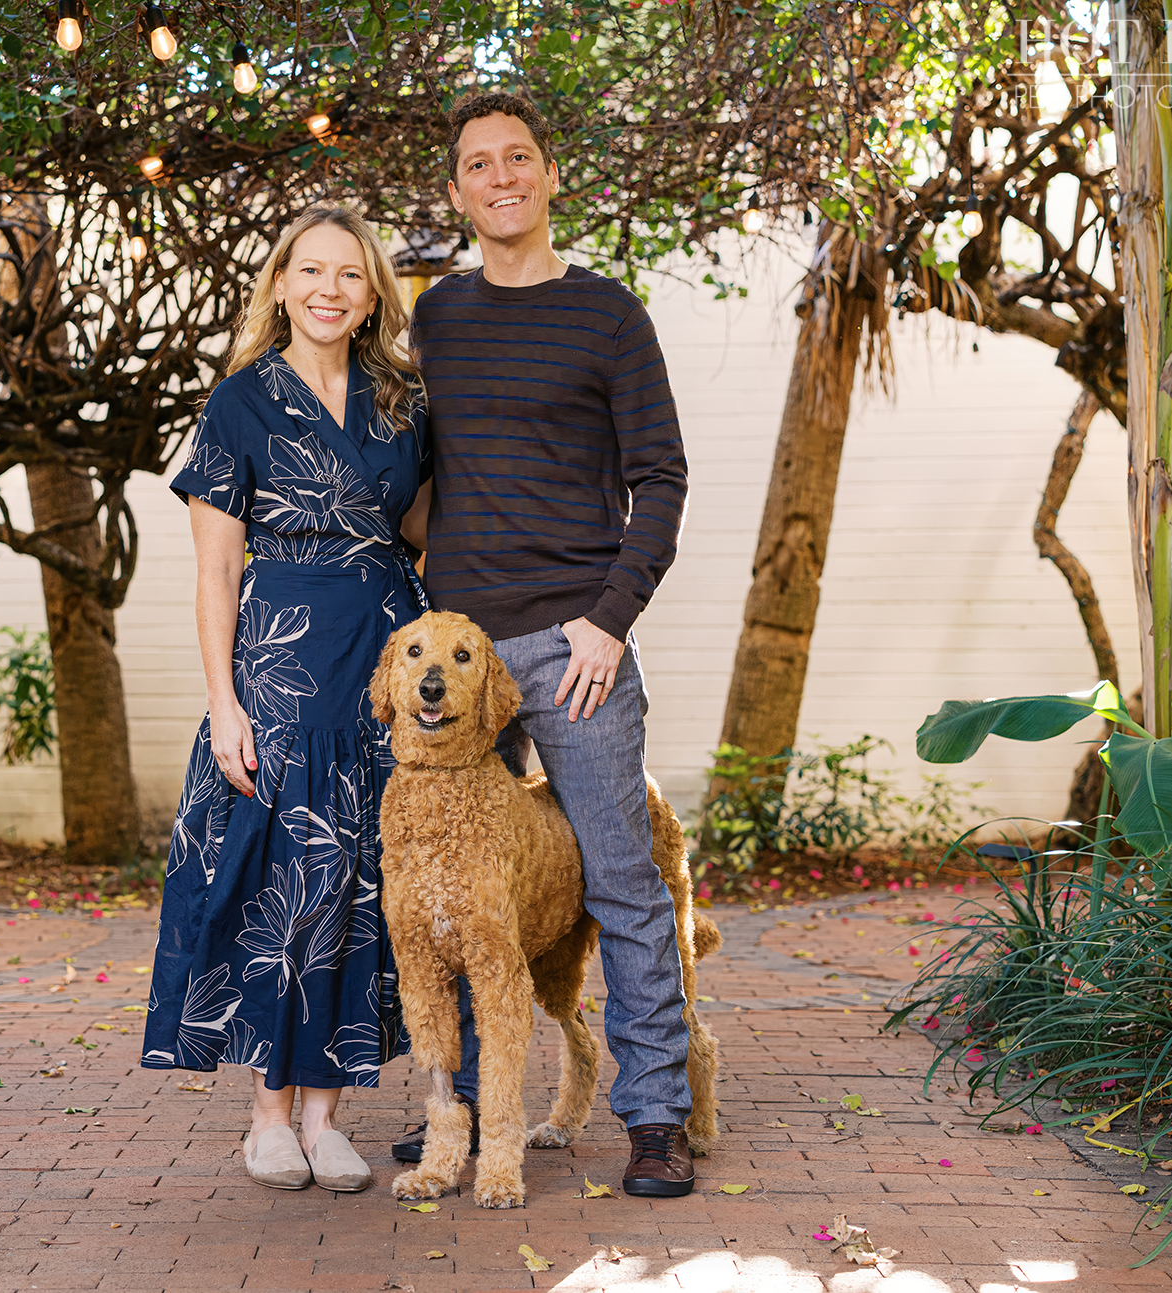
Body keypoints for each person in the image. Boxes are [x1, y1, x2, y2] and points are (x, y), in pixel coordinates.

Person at [394, 91, 695, 1196]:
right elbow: (418, 474)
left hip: (574, 655)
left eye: (517, 157)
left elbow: (658, 478)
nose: (500, 177)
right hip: (464, 663)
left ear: (548, 174)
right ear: (458, 191)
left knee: (620, 885)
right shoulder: (437, 321)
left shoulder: (608, 315)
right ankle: (465, 1111)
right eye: (478, 164)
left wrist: (606, 622)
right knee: (473, 893)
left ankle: (653, 1116)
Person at [142, 206, 431, 1195]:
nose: (328, 290)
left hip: (383, 662)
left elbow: (423, 530)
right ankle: (267, 1116)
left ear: (369, 294)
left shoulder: (402, 401)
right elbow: (215, 573)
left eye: (348, 276)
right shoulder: (238, 403)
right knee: (285, 888)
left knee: (361, 887)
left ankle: (324, 1115)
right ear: (278, 284)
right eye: (310, 271)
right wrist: (223, 702)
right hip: (282, 665)